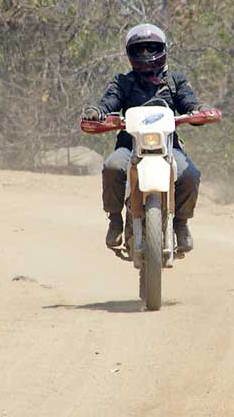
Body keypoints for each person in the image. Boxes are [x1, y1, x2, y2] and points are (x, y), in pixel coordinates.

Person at [81, 24, 214, 254]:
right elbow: (109, 102)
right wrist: (97, 111)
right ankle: (115, 220)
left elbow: (189, 103)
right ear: (130, 53)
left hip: (168, 147)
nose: (146, 55)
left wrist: (199, 110)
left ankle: (181, 224)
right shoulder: (122, 82)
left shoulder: (175, 82)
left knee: (190, 174)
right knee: (112, 166)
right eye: (139, 50)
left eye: (151, 49)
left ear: (162, 49)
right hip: (129, 146)